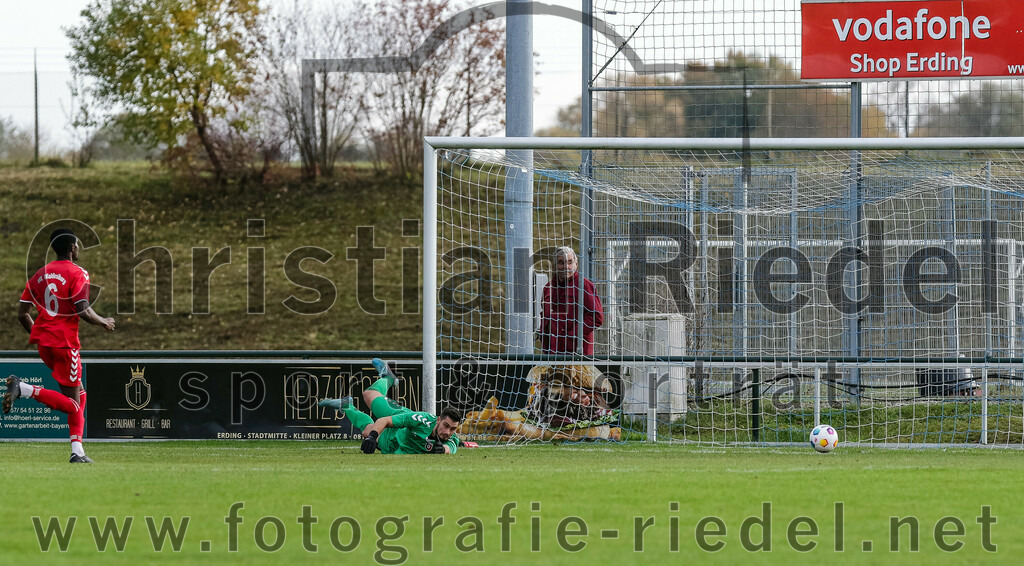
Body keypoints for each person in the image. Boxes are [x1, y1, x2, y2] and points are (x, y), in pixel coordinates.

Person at [4, 228, 115, 463]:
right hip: (65, 344)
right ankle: (24, 388)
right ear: (72, 248)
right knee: (74, 405)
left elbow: (23, 314)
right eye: (77, 245)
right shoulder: (78, 272)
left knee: (80, 395)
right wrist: (103, 321)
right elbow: (82, 308)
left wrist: (42, 335)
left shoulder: (39, 274)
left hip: (45, 345)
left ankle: (78, 451)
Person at [319, 358, 462, 454]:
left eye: (453, 428)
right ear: (438, 420)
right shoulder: (420, 419)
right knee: (369, 394)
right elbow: (385, 420)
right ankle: (388, 378)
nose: (448, 432)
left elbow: (449, 448)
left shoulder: (452, 438)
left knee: (366, 431)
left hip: (394, 443)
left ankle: (347, 405)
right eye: (446, 425)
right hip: (398, 415)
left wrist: (442, 450)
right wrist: (373, 438)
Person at [539, 246, 604, 356]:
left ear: (576, 265)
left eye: (570, 262)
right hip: (552, 353)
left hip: (577, 353)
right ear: (555, 266)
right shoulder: (548, 288)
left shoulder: (584, 285)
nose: (566, 267)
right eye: (561, 263)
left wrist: (572, 335)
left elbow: (596, 317)